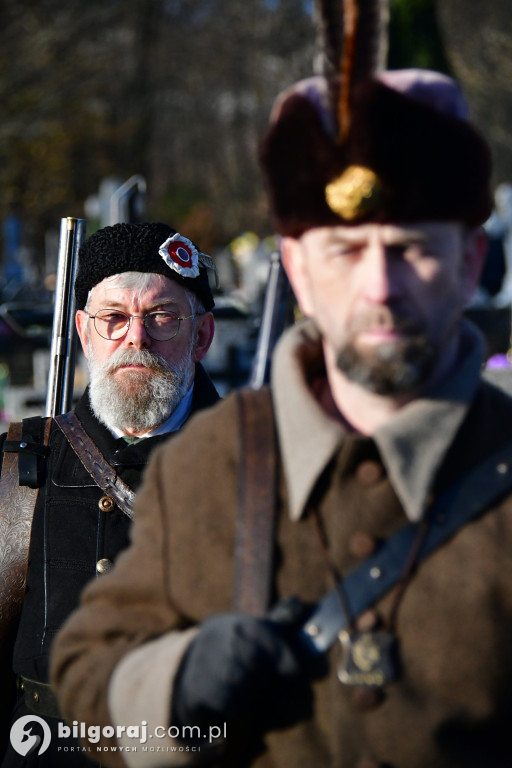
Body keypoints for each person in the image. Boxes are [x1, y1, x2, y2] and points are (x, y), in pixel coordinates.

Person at [51, 67, 512, 768]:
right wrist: (174, 690)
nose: (379, 287)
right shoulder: (207, 462)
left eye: (412, 249)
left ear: (470, 260)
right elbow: (88, 694)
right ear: (297, 269)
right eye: (346, 251)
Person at [0, 221, 220, 767]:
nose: (136, 338)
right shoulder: (17, 466)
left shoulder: (267, 466)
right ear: (83, 332)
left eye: (162, 317)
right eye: (113, 318)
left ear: (202, 336)